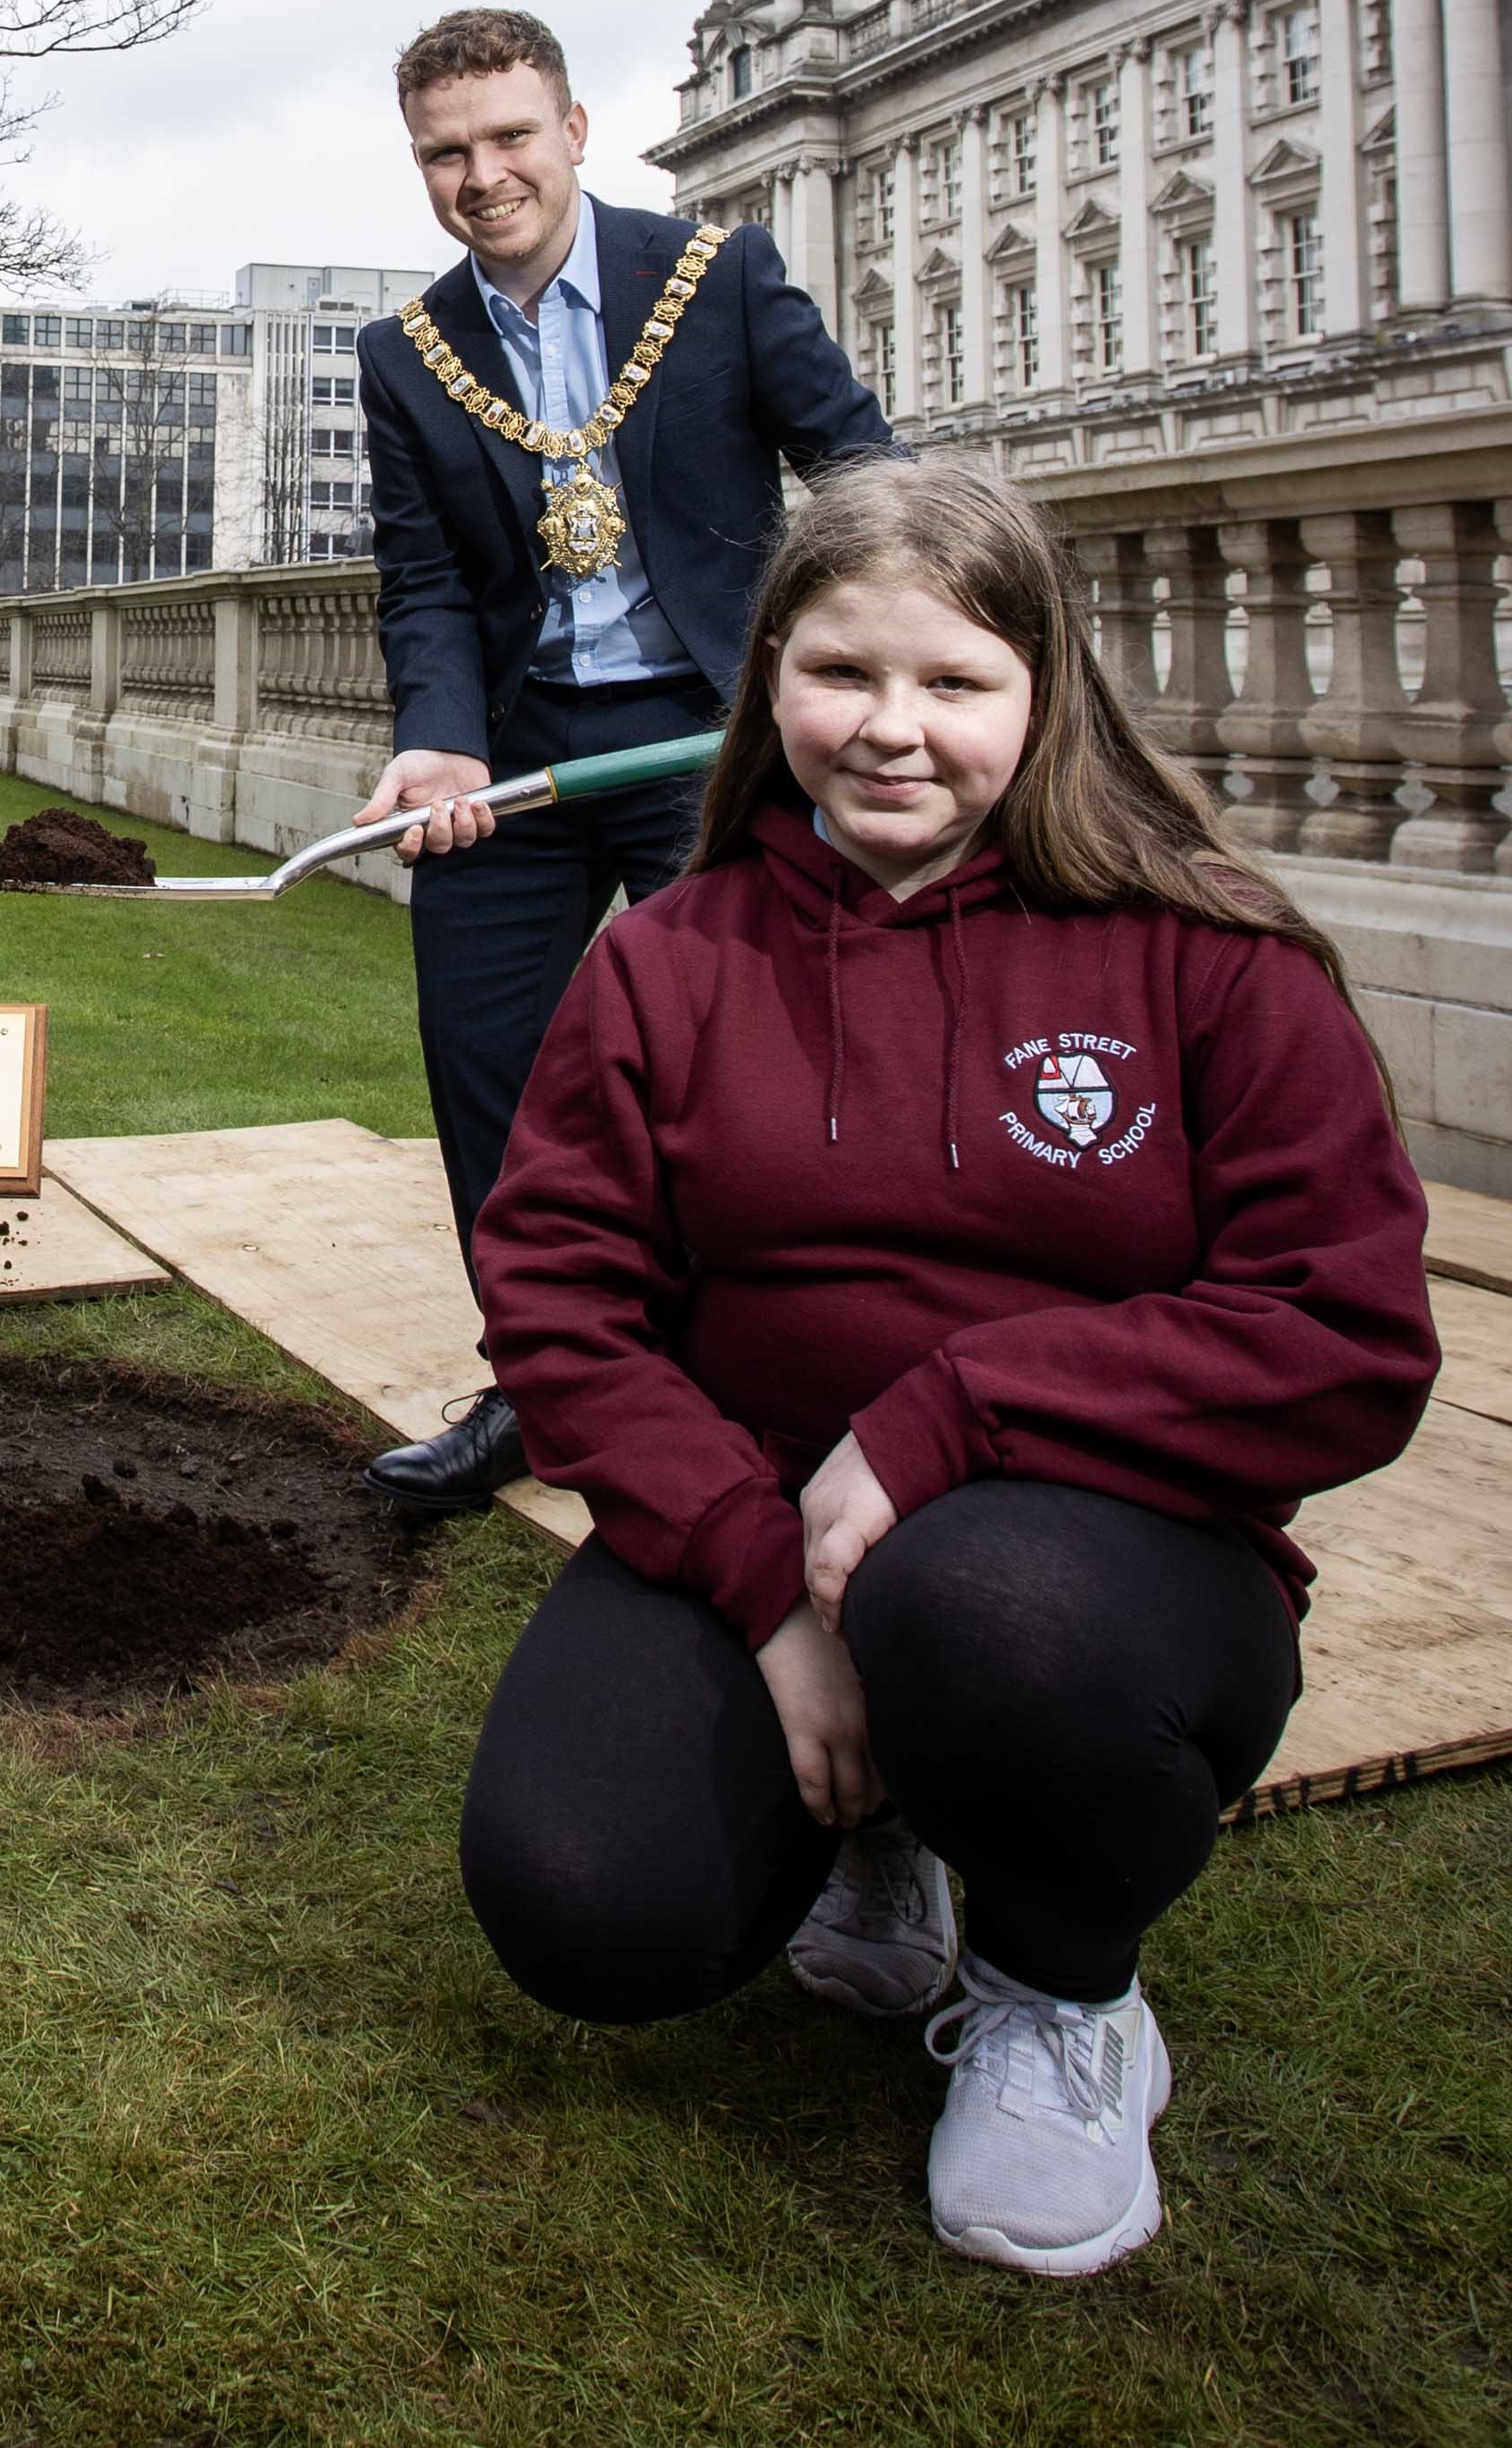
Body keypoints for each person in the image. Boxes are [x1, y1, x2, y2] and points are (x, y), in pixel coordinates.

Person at [455, 456, 1438, 2277]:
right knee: (589, 1903)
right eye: (839, 673)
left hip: (1088, 1557)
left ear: (1042, 692)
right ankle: (875, 1825)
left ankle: (1060, 1991)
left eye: (955, 683)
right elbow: (559, 1302)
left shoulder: (1209, 952)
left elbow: (1345, 1334)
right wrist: (768, 1588)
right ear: (766, 687)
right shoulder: (665, 963)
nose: (890, 730)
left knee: (981, 1611)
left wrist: (944, 1416)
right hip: (751, 1515)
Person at [350, 5, 894, 1510]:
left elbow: (860, 469)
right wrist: (439, 741)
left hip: (708, 740)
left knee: (748, 1075)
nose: (481, 174)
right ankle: (540, 1379)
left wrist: (846, 673)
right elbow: (424, 580)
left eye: (509, 135)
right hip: (511, 761)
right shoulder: (403, 355)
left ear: (574, 129)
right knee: (486, 1068)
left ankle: (764, 1389)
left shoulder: (714, 278)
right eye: (444, 151)